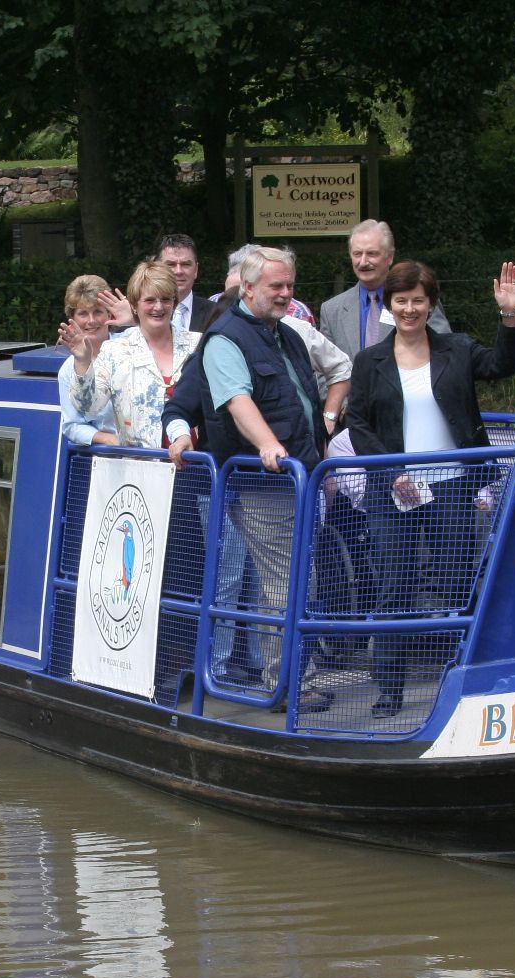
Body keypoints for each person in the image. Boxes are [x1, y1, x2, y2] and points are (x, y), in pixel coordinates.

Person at [344, 259, 515, 718]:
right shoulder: (368, 361)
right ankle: (389, 690)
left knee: (456, 579)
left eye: (418, 300)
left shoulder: (456, 349)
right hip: (394, 490)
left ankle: (461, 680)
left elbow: (502, 365)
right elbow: (358, 423)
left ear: (431, 303)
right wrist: (392, 471)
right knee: (393, 588)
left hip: (452, 487)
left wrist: (508, 315)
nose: (409, 308)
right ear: (389, 305)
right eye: (401, 300)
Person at [182, 246, 332, 713]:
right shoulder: (225, 339)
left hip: (303, 478)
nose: (286, 294)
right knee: (283, 581)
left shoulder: (284, 334)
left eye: (289, 286)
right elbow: (237, 401)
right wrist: (268, 445)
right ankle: (284, 684)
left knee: (297, 578)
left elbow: (304, 399)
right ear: (246, 288)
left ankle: (289, 675)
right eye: (276, 287)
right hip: (264, 484)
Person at [66, 261, 200, 449]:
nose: (158, 307)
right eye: (150, 300)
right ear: (134, 305)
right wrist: (82, 362)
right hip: (139, 468)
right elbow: (89, 408)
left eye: (166, 299)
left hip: (197, 466)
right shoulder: (115, 351)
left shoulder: (198, 345)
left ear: (175, 303)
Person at [319, 220, 449, 358]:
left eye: (372, 254)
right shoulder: (332, 310)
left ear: (390, 257)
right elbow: (323, 368)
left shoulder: (417, 301)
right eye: (357, 254)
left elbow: (444, 349)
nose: (363, 262)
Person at [56, 274, 132, 445]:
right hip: (107, 456)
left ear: (109, 313)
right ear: (72, 318)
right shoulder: (68, 369)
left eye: (98, 311)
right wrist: (109, 439)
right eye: (83, 313)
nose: (91, 320)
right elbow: (72, 425)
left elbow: (174, 339)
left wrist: (135, 319)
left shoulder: (132, 341)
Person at [154, 233, 210, 335]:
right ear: (157, 268)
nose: (178, 271)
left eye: (186, 264)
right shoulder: (140, 314)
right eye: (171, 264)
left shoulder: (215, 314)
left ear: (196, 270)